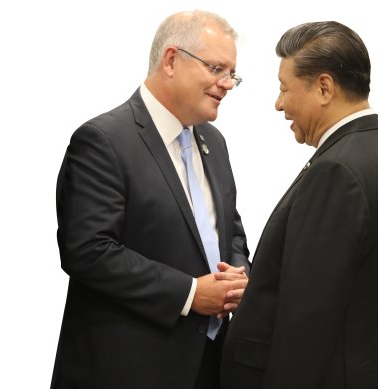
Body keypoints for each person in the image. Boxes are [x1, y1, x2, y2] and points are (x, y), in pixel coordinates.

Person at [51, 10, 250, 389]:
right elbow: (88, 251)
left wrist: (238, 277)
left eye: (232, 75)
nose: (226, 84)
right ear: (172, 60)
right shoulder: (103, 141)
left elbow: (231, 232)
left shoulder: (215, 143)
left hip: (209, 366)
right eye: (216, 69)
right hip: (127, 368)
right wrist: (191, 294)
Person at [221, 21, 378, 389]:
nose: (279, 104)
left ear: (324, 87)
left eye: (284, 89)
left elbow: (306, 323)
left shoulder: (336, 170)